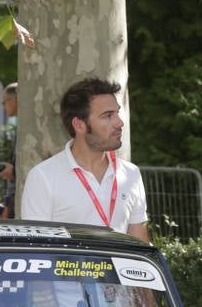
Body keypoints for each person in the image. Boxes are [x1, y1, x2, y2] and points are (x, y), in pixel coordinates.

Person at [20, 76, 149, 241]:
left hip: (119, 268)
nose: (119, 122)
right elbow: (36, 249)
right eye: (108, 116)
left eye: (117, 112)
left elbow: (140, 244)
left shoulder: (131, 174)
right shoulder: (43, 177)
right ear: (79, 125)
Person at [0, 83, 18, 218]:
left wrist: (14, 171)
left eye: (4, 102)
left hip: (16, 196)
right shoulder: (21, 125)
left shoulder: (27, 128)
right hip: (13, 194)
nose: (3, 107)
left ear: (15, 100)